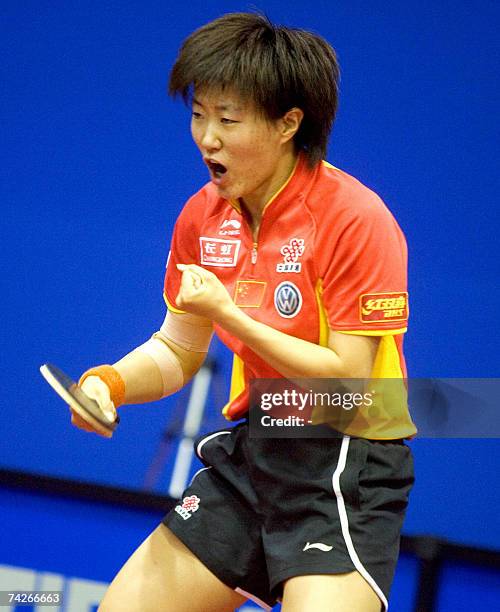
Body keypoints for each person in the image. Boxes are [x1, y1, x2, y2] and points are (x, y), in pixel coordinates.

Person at [73, 13, 415, 612]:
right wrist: (110, 384)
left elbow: (349, 385)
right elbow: (179, 348)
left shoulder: (355, 219)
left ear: (288, 123)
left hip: (343, 465)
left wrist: (233, 316)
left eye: (228, 120)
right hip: (256, 451)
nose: (208, 137)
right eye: (199, 115)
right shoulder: (201, 217)